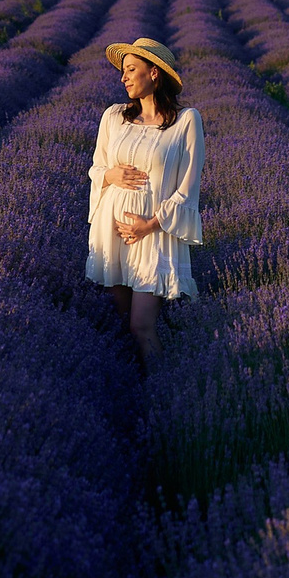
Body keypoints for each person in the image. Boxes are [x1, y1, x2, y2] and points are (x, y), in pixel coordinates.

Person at [86, 36, 203, 366]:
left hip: (153, 236)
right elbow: (97, 168)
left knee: (142, 326)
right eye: (123, 71)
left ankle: (161, 395)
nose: (123, 77)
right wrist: (111, 176)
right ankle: (131, 392)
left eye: (131, 69)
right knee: (124, 325)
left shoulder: (186, 122)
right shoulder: (114, 117)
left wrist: (148, 225)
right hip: (113, 234)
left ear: (154, 73)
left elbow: (188, 188)